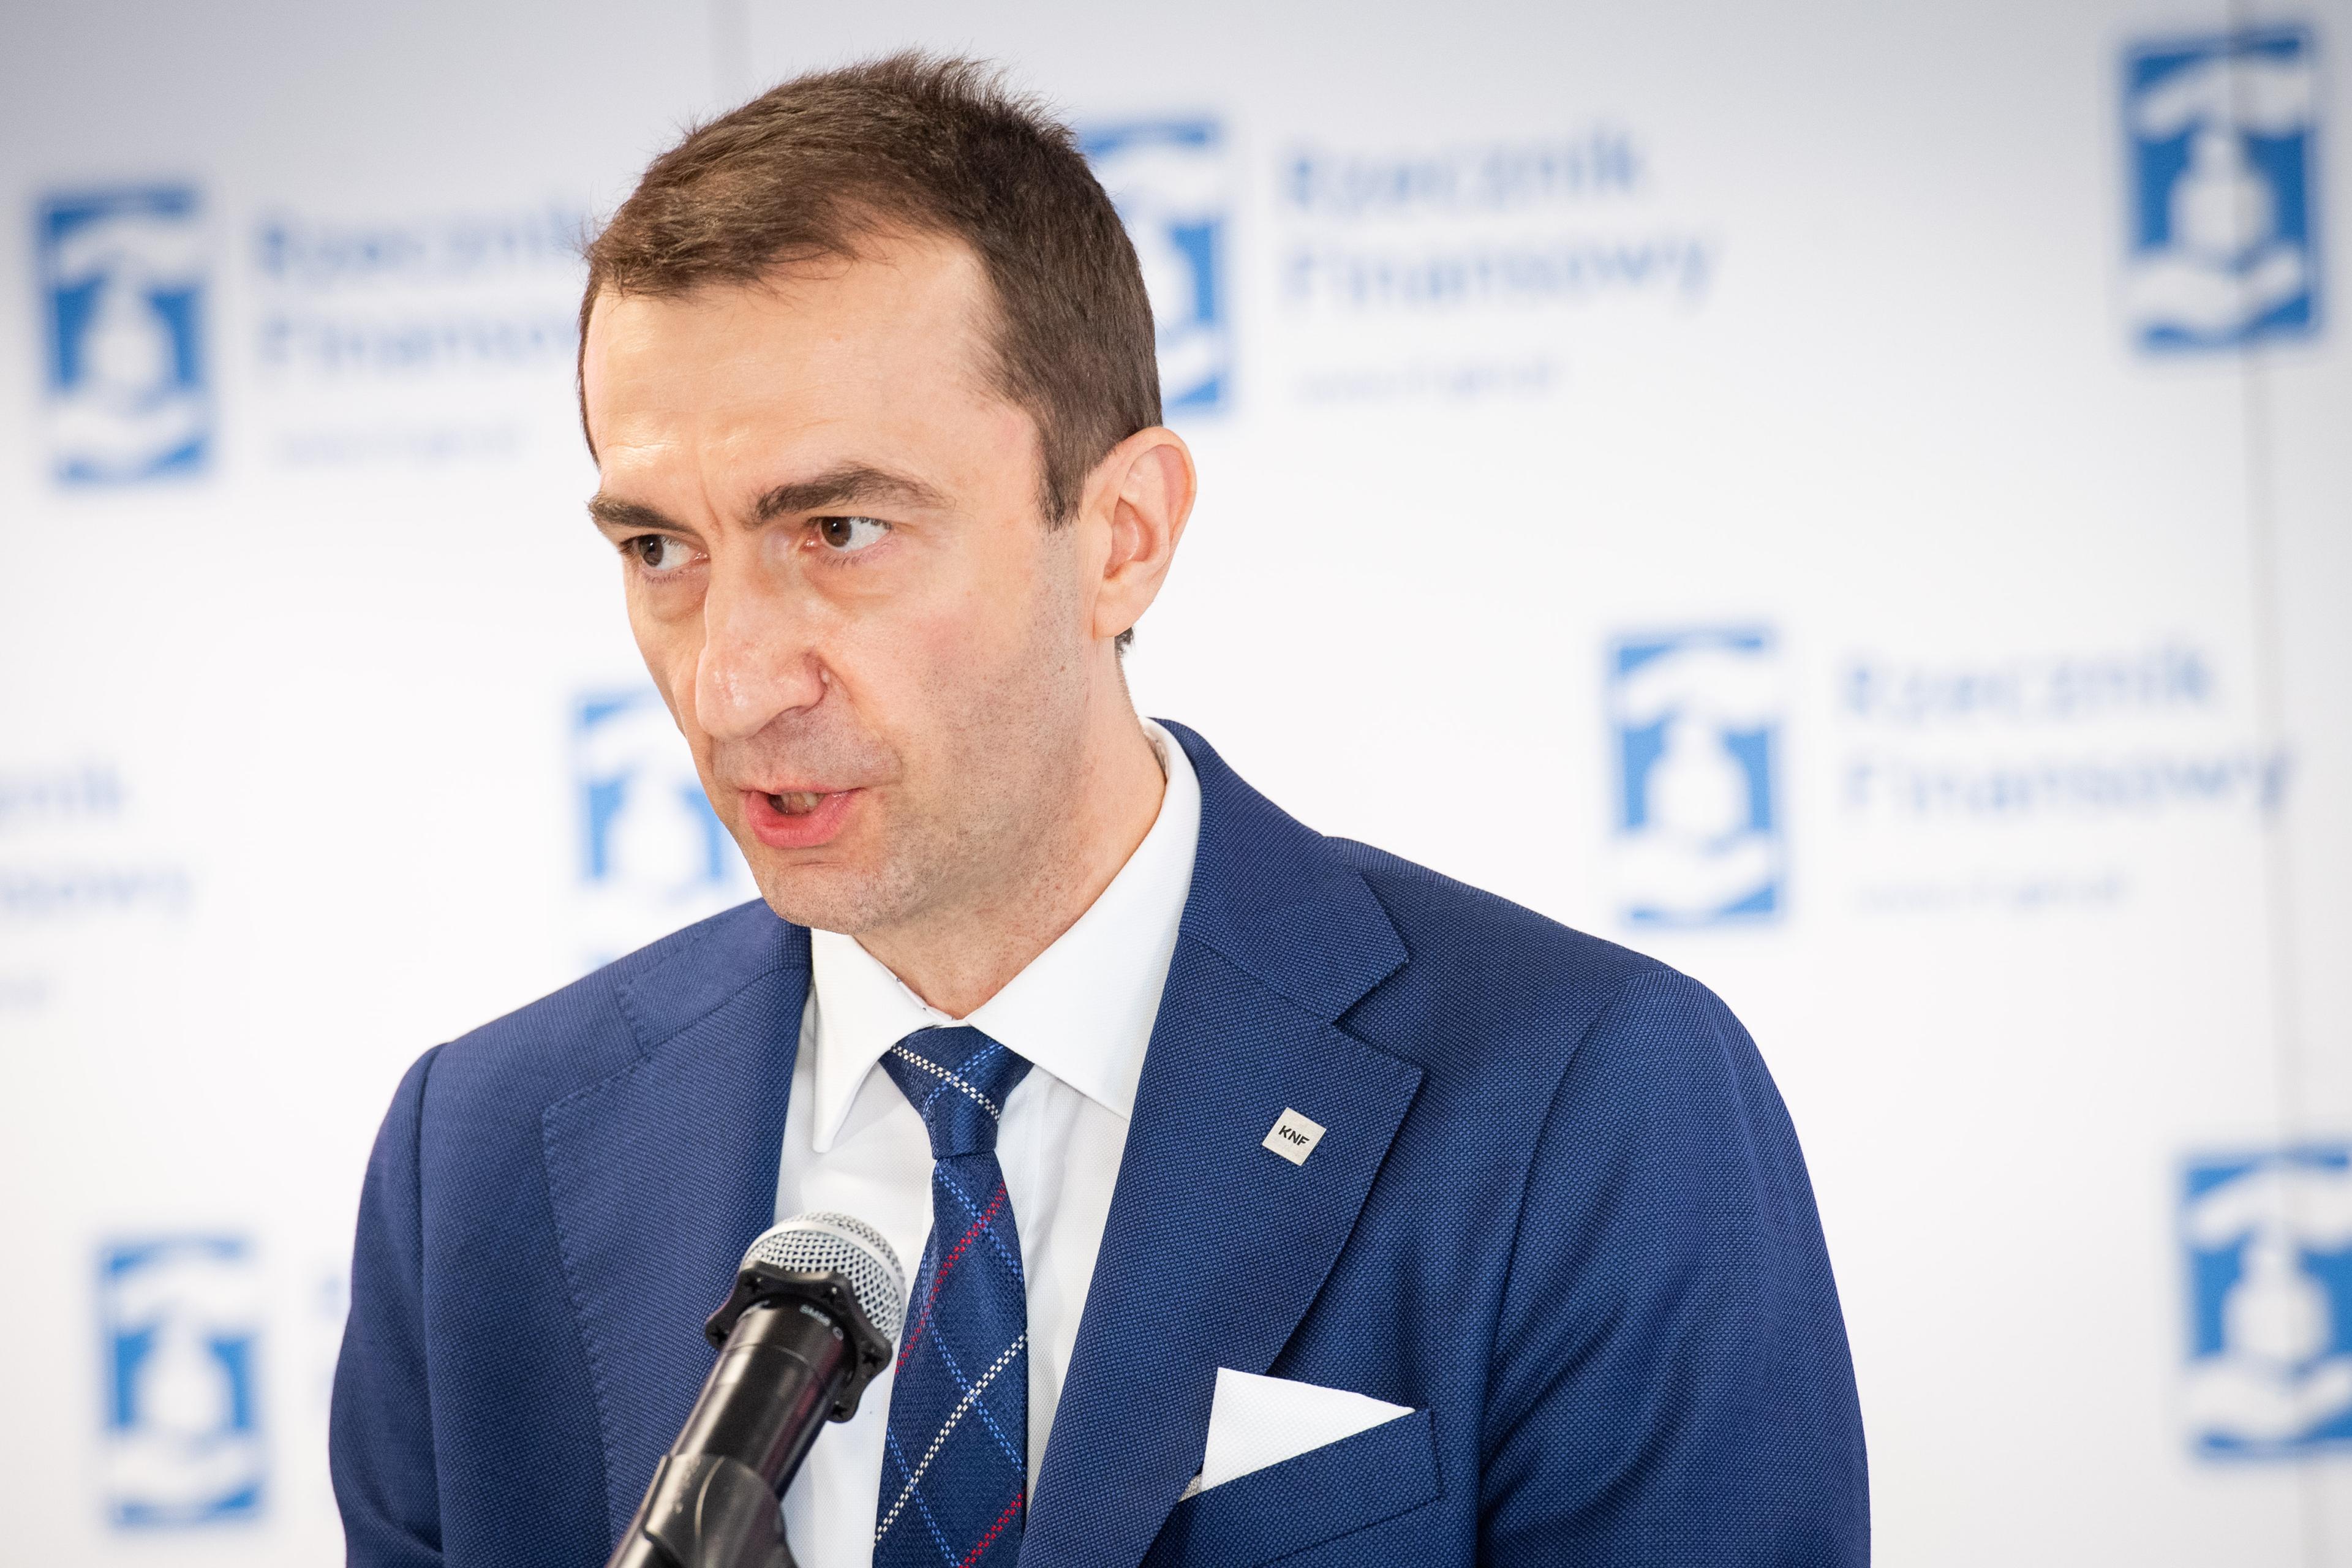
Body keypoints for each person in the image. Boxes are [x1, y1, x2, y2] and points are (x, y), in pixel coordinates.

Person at [329, 53, 1868, 1568]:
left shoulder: (1585, 1098)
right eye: (659, 549)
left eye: (839, 529)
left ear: (1123, 534)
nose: (730, 684)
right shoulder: (475, 1162)